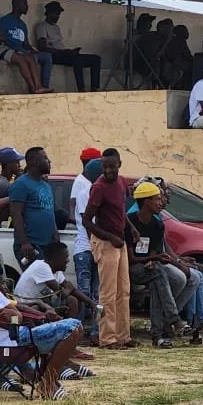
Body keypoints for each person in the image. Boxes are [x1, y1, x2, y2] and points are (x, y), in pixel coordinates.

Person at [0, 250, 82, 400]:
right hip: (9, 342)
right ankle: (47, 383)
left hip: (18, 334)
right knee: (72, 329)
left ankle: (48, 381)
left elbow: (13, 309)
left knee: (76, 327)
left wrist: (21, 314)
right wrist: (16, 316)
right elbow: (7, 324)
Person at [126, 181, 193, 347]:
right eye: (157, 199)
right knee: (158, 273)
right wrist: (150, 261)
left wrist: (151, 259)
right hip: (129, 268)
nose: (160, 203)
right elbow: (131, 258)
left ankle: (158, 336)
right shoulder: (130, 222)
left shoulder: (157, 225)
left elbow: (154, 250)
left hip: (148, 268)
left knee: (157, 279)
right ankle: (173, 320)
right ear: (146, 201)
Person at [84, 148, 135, 349]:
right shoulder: (98, 187)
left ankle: (124, 336)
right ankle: (107, 338)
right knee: (108, 293)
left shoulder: (121, 182)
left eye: (111, 166)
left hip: (119, 242)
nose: (108, 171)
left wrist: (131, 229)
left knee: (124, 291)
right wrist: (110, 237)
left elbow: (121, 211)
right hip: (106, 243)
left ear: (119, 165)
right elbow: (87, 220)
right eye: (104, 167)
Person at [16, 241, 100, 329]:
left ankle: (69, 329)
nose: (68, 260)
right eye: (65, 257)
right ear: (55, 258)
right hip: (26, 305)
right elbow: (61, 294)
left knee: (74, 299)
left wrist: (91, 303)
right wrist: (68, 288)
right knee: (71, 300)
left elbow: (71, 290)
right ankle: (66, 330)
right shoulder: (42, 266)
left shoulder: (56, 270)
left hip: (40, 302)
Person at [0, 0, 51, 94]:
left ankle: (38, 86)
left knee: (29, 58)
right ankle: (33, 87)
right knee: (21, 60)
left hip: (1, 48)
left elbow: (3, 38)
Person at [70, 149, 104, 342]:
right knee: (84, 293)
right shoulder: (85, 193)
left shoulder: (96, 192)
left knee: (96, 294)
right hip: (85, 249)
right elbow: (87, 221)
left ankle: (94, 331)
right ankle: (78, 332)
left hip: (94, 248)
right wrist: (97, 245)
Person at [35, 0, 103, 92]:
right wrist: (62, 52)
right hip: (54, 55)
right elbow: (42, 47)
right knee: (78, 60)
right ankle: (81, 89)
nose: (58, 16)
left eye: (59, 14)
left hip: (64, 53)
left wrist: (69, 51)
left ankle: (94, 88)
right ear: (49, 13)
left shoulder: (56, 28)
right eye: (56, 14)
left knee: (96, 59)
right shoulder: (42, 26)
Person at [8, 147, 58, 264]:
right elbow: (16, 214)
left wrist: (55, 233)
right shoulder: (21, 184)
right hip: (31, 245)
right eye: (45, 158)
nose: (49, 161)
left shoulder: (46, 185)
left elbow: (49, 211)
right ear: (35, 162)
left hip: (47, 244)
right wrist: (24, 242)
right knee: (37, 281)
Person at [0, 0, 54, 89]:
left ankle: (44, 86)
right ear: (17, 4)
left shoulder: (22, 24)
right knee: (31, 58)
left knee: (46, 56)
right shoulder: (4, 21)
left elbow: (26, 44)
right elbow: (1, 40)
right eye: (25, 4)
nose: (27, 6)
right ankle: (35, 87)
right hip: (14, 52)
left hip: (24, 51)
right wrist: (16, 50)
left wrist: (32, 50)